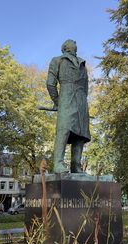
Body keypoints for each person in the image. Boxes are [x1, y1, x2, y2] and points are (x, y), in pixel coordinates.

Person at [47, 39, 91, 174]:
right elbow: (50, 83)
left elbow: (86, 86)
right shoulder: (57, 60)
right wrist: (57, 102)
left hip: (82, 100)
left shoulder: (83, 64)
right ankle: (58, 164)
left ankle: (76, 165)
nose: (74, 44)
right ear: (65, 48)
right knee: (63, 131)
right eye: (71, 43)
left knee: (81, 134)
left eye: (75, 43)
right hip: (66, 97)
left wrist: (83, 100)